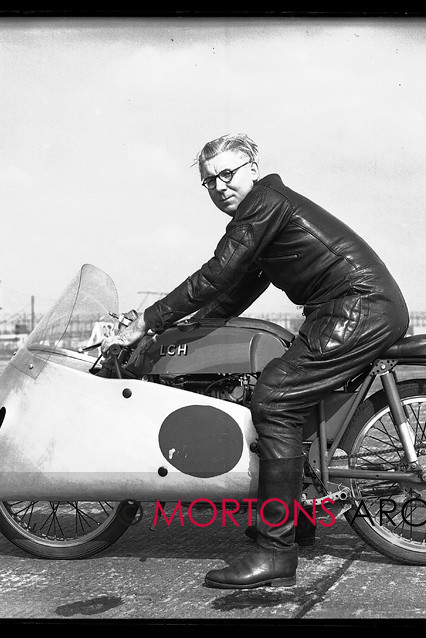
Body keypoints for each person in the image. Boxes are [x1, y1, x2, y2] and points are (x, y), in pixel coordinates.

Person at [101, 133, 409, 589]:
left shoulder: (264, 203)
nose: (220, 186)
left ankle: (275, 552)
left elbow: (216, 273)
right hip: (350, 308)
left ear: (252, 167)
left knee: (274, 399)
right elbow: (238, 287)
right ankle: (296, 517)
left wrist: (147, 320)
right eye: (209, 181)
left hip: (357, 307)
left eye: (227, 174)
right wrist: (184, 331)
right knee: (281, 399)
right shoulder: (265, 214)